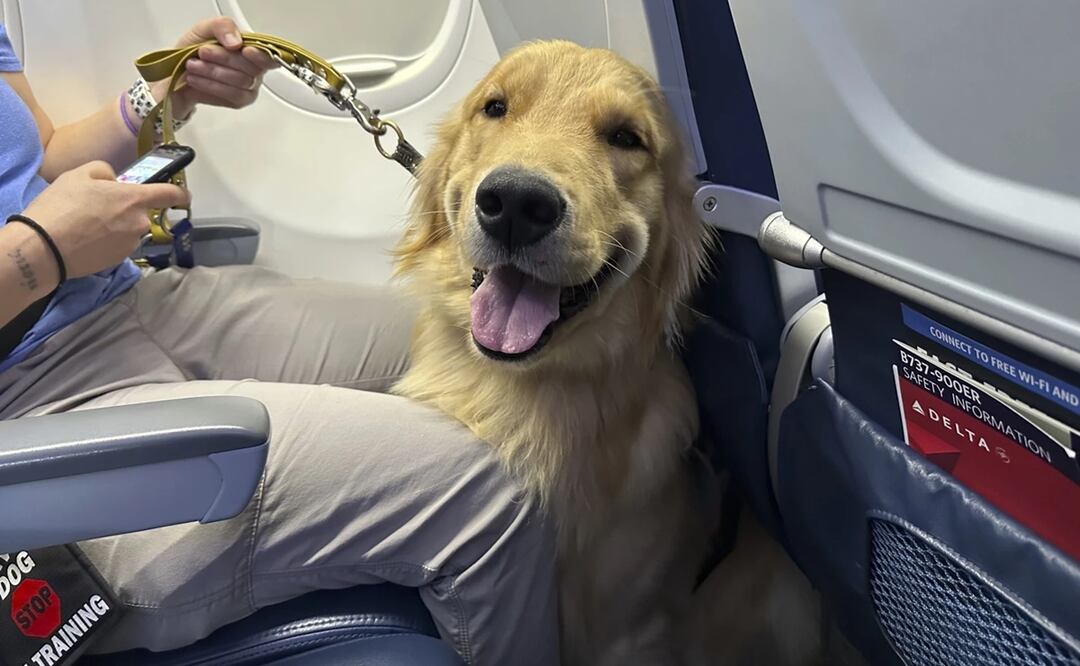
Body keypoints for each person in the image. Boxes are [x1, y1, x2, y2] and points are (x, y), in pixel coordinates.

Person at [0, 16, 558, 665]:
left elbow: (36, 156)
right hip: (34, 405)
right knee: (490, 497)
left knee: (483, 352)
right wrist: (37, 253)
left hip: (120, 300)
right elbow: (36, 232)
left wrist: (163, 96)